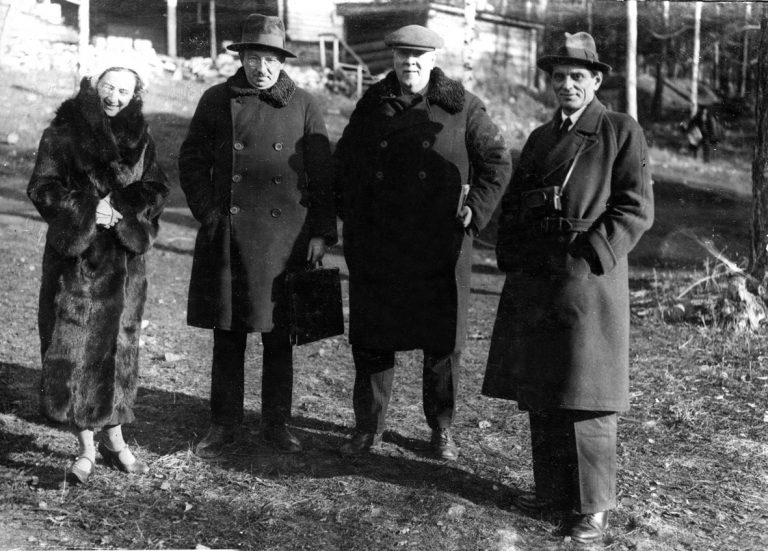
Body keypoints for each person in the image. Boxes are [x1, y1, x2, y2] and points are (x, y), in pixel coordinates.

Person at [483, 32, 654, 543]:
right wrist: (512, 252)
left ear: (596, 81)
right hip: (539, 275)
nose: (567, 85)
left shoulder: (619, 130)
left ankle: (593, 508)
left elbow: (636, 207)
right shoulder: (540, 137)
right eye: (559, 77)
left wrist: (591, 253)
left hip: (586, 278)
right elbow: (515, 204)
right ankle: (551, 490)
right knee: (542, 385)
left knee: (587, 393)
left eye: (577, 76)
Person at [334, 25, 512, 461]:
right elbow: (344, 162)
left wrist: (476, 209)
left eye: (418, 57)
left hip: (439, 243)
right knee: (373, 338)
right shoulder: (372, 104)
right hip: (380, 242)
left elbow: (496, 160)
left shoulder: (463, 106)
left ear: (433, 60)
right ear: (393, 59)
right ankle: (368, 427)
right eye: (402, 56)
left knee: (442, 342)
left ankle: (441, 429)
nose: (409, 63)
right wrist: (351, 213)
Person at [179, 14, 337, 458]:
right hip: (229, 234)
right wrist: (210, 213)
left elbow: (323, 174)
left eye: (269, 60)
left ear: (281, 61)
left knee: (278, 335)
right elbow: (191, 160)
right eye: (253, 58)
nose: (261, 68)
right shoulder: (216, 99)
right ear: (242, 58)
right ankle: (224, 423)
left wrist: (322, 232)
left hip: (286, 238)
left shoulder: (303, 104)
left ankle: (277, 424)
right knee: (228, 332)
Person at [28, 63, 169, 484]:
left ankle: (115, 438)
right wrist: (90, 211)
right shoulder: (61, 133)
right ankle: (86, 445)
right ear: (94, 86)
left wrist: (122, 210)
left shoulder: (141, 138)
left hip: (124, 265)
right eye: (108, 87)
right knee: (73, 347)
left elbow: (157, 190)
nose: (114, 97)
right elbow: (43, 188)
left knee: (120, 348)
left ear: (134, 95)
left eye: (124, 91)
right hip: (75, 263)